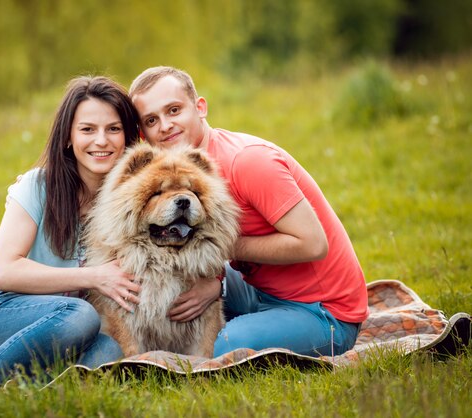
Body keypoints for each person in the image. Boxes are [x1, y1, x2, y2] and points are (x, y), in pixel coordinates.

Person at [129, 66, 368, 358]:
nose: (165, 125)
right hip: (258, 288)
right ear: (143, 134)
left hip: (322, 311)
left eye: (174, 110)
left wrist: (222, 251)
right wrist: (216, 284)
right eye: (152, 120)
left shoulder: (248, 162)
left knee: (220, 348)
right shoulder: (185, 169)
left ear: (200, 107)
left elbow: (314, 244)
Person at [0, 76, 141, 396]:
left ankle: (19, 394)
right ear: (68, 137)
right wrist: (95, 277)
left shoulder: (127, 200)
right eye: (87, 129)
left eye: (113, 128)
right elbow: (3, 272)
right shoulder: (39, 186)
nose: (101, 140)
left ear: (127, 137)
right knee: (80, 314)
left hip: (58, 339)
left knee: (109, 352)